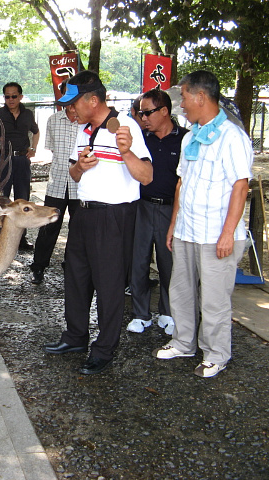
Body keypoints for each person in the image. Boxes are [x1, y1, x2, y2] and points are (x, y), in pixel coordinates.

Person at [42, 70, 153, 375]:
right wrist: (80, 166)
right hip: (84, 211)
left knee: (109, 284)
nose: (69, 109)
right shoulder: (83, 129)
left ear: (93, 100)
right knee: (76, 276)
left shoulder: (126, 126)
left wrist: (126, 151)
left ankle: (104, 348)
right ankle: (76, 336)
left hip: (114, 216)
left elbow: (146, 176)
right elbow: (75, 175)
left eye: (73, 103)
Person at [153, 70, 253, 378]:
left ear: (201, 97)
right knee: (180, 289)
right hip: (187, 229)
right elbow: (182, 183)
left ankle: (216, 353)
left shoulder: (232, 136)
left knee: (214, 298)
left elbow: (240, 186)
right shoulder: (192, 136)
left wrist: (227, 234)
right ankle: (184, 341)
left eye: (183, 97)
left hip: (217, 235)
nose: (181, 104)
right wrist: (173, 225)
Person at [127, 89, 188, 335]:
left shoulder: (185, 139)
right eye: (140, 113)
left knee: (169, 263)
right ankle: (141, 314)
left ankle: (168, 312)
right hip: (141, 206)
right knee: (138, 261)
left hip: (170, 209)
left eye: (147, 112)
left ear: (164, 111)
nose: (143, 118)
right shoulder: (141, 139)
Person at [0, 82, 39, 250]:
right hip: (2, 160)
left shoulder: (28, 114)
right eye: (7, 96)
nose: (10, 99)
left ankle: (20, 239)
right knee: (0, 200)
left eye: (14, 96)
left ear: (20, 96)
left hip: (21, 160)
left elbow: (36, 131)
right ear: (4, 97)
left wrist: (33, 149)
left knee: (22, 200)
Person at [30, 83, 80, 284]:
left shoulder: (86, 122)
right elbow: (50, 148)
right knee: (49, 225)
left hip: (80, 185)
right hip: (57, 181)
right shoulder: (53, 120)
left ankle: (72, 266)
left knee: (78, 228)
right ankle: (39, 266)